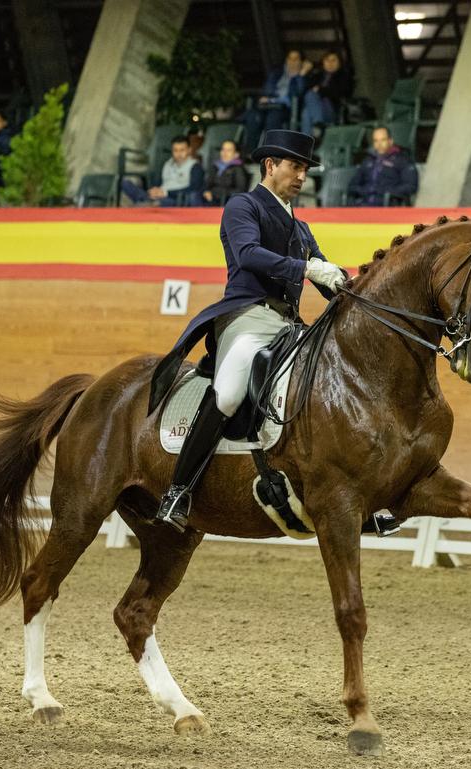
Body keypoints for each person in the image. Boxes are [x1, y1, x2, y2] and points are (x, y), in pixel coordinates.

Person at [148, 129, 348, 532]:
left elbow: (328, 279)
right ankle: (178, 490)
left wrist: (351, 287)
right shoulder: (243, 206)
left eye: (305, 171)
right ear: (271, 165)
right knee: (231, 390)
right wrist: (306, 267)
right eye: (295, 167)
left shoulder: (301, 227)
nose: (301, 178)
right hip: (247, 319)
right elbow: (249, 254)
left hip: (288, 326)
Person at [242, 50, 307, 155]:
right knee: (253, 117)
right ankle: (249, 153)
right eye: (290, 58)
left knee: (273, 117)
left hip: (286, 108)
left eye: (296, 59)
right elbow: (267, 90)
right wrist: (270, 98)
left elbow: (299, 93)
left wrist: (301, 75)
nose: (292, 61)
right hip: (268, 105)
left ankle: (269, 152)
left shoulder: (303, 76)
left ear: (301, 61)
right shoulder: (277, 73)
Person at [121, 135, 204, 207]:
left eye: (182, 150)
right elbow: (160, 184)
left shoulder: (195, 166)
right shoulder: (167, 164)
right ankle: (146, 202)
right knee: (124, 183)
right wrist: (155, 191)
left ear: (189, 150)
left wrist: (166, 193)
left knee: (163, 202)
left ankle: (146, 203)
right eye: (175, 150)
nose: (179, 154)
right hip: (160, 195)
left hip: (176, 199)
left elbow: (193, 189)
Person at [346, 126, 418, 207]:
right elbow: (352, 185)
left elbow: (411, 186)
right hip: (364, 204)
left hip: (387, 205)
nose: (379, 144)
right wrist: (365, 190)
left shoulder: (402, 160)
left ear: (390, 141)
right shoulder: (368, 160)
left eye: (383, 140)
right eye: (376, 141)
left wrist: (386, 191)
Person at [300, 51, 352, 137]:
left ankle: (317, 126)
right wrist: (303, 74)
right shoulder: (317, 75)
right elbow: (304, 91)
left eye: (333, 60)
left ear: (339, 62)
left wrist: (320, 90)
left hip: (332, 109)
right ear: (323, 62)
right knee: (306, 112)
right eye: (327, 60)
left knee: (310, 99)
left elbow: (340, 93)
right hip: (316, 109)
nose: (330, 63)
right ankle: (316, 128)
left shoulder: (343, 76)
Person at [203, 139, 249, 206]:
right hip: (213, 199)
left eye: (229, 150)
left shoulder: (238, 169)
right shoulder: (215, 166)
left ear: (236, 154)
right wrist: (206, 191)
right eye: (223, 149)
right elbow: (207, 184)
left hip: (228, 202)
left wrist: (217, 192)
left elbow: (240, 190)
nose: (224, 153)